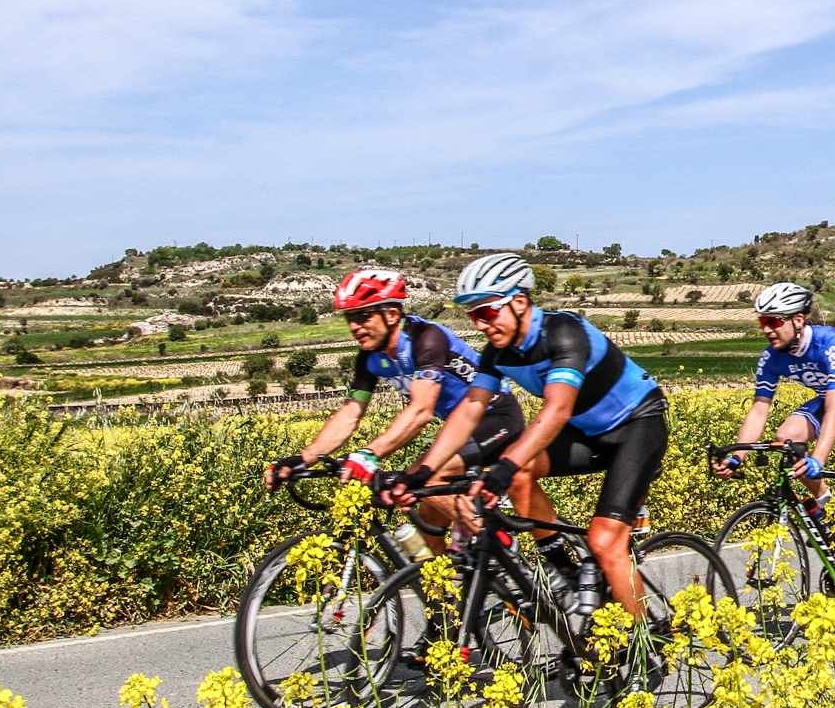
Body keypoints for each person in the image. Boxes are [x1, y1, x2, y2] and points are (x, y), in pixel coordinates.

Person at [381, 253, 666, 617]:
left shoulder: (564, 333)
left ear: (518, 301)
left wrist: (502, 467)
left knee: (605, 541)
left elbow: (556, 410)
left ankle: (647, 650)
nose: (480, 324)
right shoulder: (498, 352)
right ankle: (563, 569)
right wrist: (423, 471)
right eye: (471, 315)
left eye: (485, 312)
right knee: (518, 474)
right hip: (589, 433)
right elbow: (470, 410)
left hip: (638, 425)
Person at [264, 268, 531, 546]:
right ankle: (448, 586)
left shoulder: (426, 339)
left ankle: (501, 547)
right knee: (429, 517)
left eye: (363, 316)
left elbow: (421, 410)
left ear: (392, 314)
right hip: (457, 432)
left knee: (427, 477)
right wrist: (303, 458)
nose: (355, 326)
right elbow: (351, 412)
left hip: (497, 418)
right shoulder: (369, 358)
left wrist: (369, 454)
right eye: (350, 318)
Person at [713, 282, 835, 595]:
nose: (767, 330)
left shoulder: (832, 344)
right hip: (832, 400)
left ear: (798, 320)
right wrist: (738, 456)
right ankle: (828, 510)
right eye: (762, 322)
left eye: (774, 321)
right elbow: (760, 409)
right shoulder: (771, 358)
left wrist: (819, 458)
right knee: (785, 439)